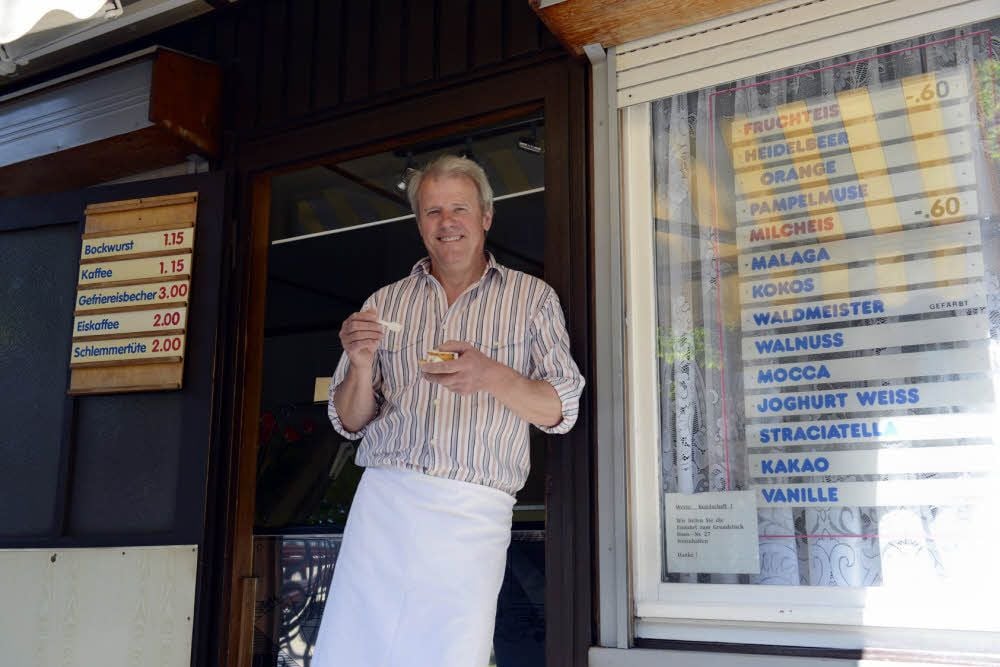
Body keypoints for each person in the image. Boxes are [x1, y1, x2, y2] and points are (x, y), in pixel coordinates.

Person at [312, 154, 584, 666]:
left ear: (485, 216)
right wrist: (361, 364)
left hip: (472, 505)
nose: (447, 223)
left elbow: (560, 408)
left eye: (459, 208)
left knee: (450, 651)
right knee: (356, 650)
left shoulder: (531, 298)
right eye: (433, 212)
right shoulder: (384, 302)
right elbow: (349, 421)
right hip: (386, 499)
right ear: (419, 224)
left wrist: (492, 375)